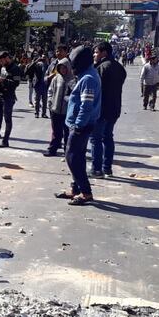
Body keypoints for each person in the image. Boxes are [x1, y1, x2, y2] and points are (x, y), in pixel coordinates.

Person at [56, 46, 101, 206]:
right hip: (79, 123)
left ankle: (86, 192)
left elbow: (86, 106)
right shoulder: (86, 75)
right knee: (78, 157)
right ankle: (76, 189)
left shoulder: (88, 78)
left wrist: (78, 126)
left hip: (81, 125)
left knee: (72, 157)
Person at [90, 42, 126, 178]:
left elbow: (95, 88)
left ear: (104, 53)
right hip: (114, 108)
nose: (94, 55)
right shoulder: (120, 67)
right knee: (108, 138)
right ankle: (107, 168)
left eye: (96, 52)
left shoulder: (100, 68)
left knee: (96, 139)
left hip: (101, 109)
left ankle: (96, 169)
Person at [0, 53, 22, 148]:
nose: (0, 63)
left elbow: (16, 83)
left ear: (6, 58)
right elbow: (1, 80)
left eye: (1, 61)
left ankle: (5, 140)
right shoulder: (3, 68)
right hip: (0, 94)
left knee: (7, 118)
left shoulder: (16, 68)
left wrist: (3, 81)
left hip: (9, 96)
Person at [44, 59, 74, 157]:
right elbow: (50, 91)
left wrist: (68, 100)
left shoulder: (73, 79)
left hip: (67, 111)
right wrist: (50, 102)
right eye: (61, 68)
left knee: (67, 132)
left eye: (65, 68)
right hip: (55, 109)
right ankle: (52, 149)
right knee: (56, 131)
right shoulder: (56, 78)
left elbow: (75, 95)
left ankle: (67, 151)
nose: (63, 70)